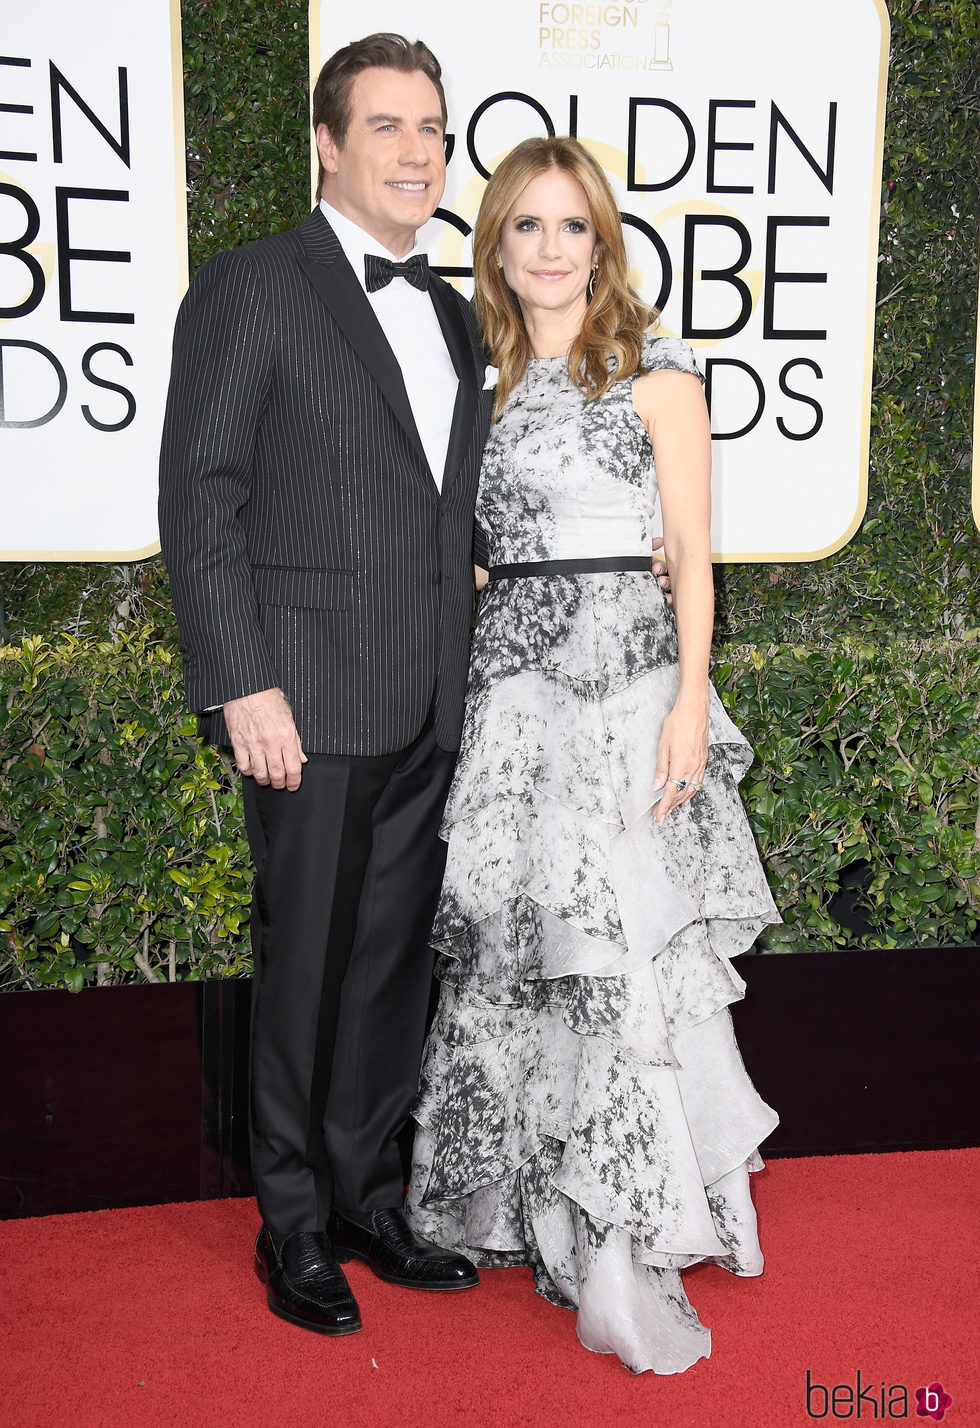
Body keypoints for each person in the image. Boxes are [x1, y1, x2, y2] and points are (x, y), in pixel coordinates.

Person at [405, 137, 781, 1375]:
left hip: (624, 696)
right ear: (497, 244)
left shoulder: (658, 376)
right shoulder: (479, 379)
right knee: (522, 957)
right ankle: (519, 1206)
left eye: (572, 227)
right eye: (527, 228)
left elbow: (690, 546)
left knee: (615, 955)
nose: (551, 250)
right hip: (511, 703)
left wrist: (690, 700)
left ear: (601, 242)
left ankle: (623, 1237)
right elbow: (467, 551)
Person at [158, 34, 490, 1336]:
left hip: (425, 696)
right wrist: (243, 681)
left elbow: (445, 505)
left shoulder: (456, 312)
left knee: (390, 967)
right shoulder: (252, 287)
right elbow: (204, 499)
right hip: (302, 699)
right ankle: (291, 1225)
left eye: (434, 132)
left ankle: (369, 1196)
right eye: (391, 128)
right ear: (328, 142)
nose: (418, 154)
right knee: (303, 966)